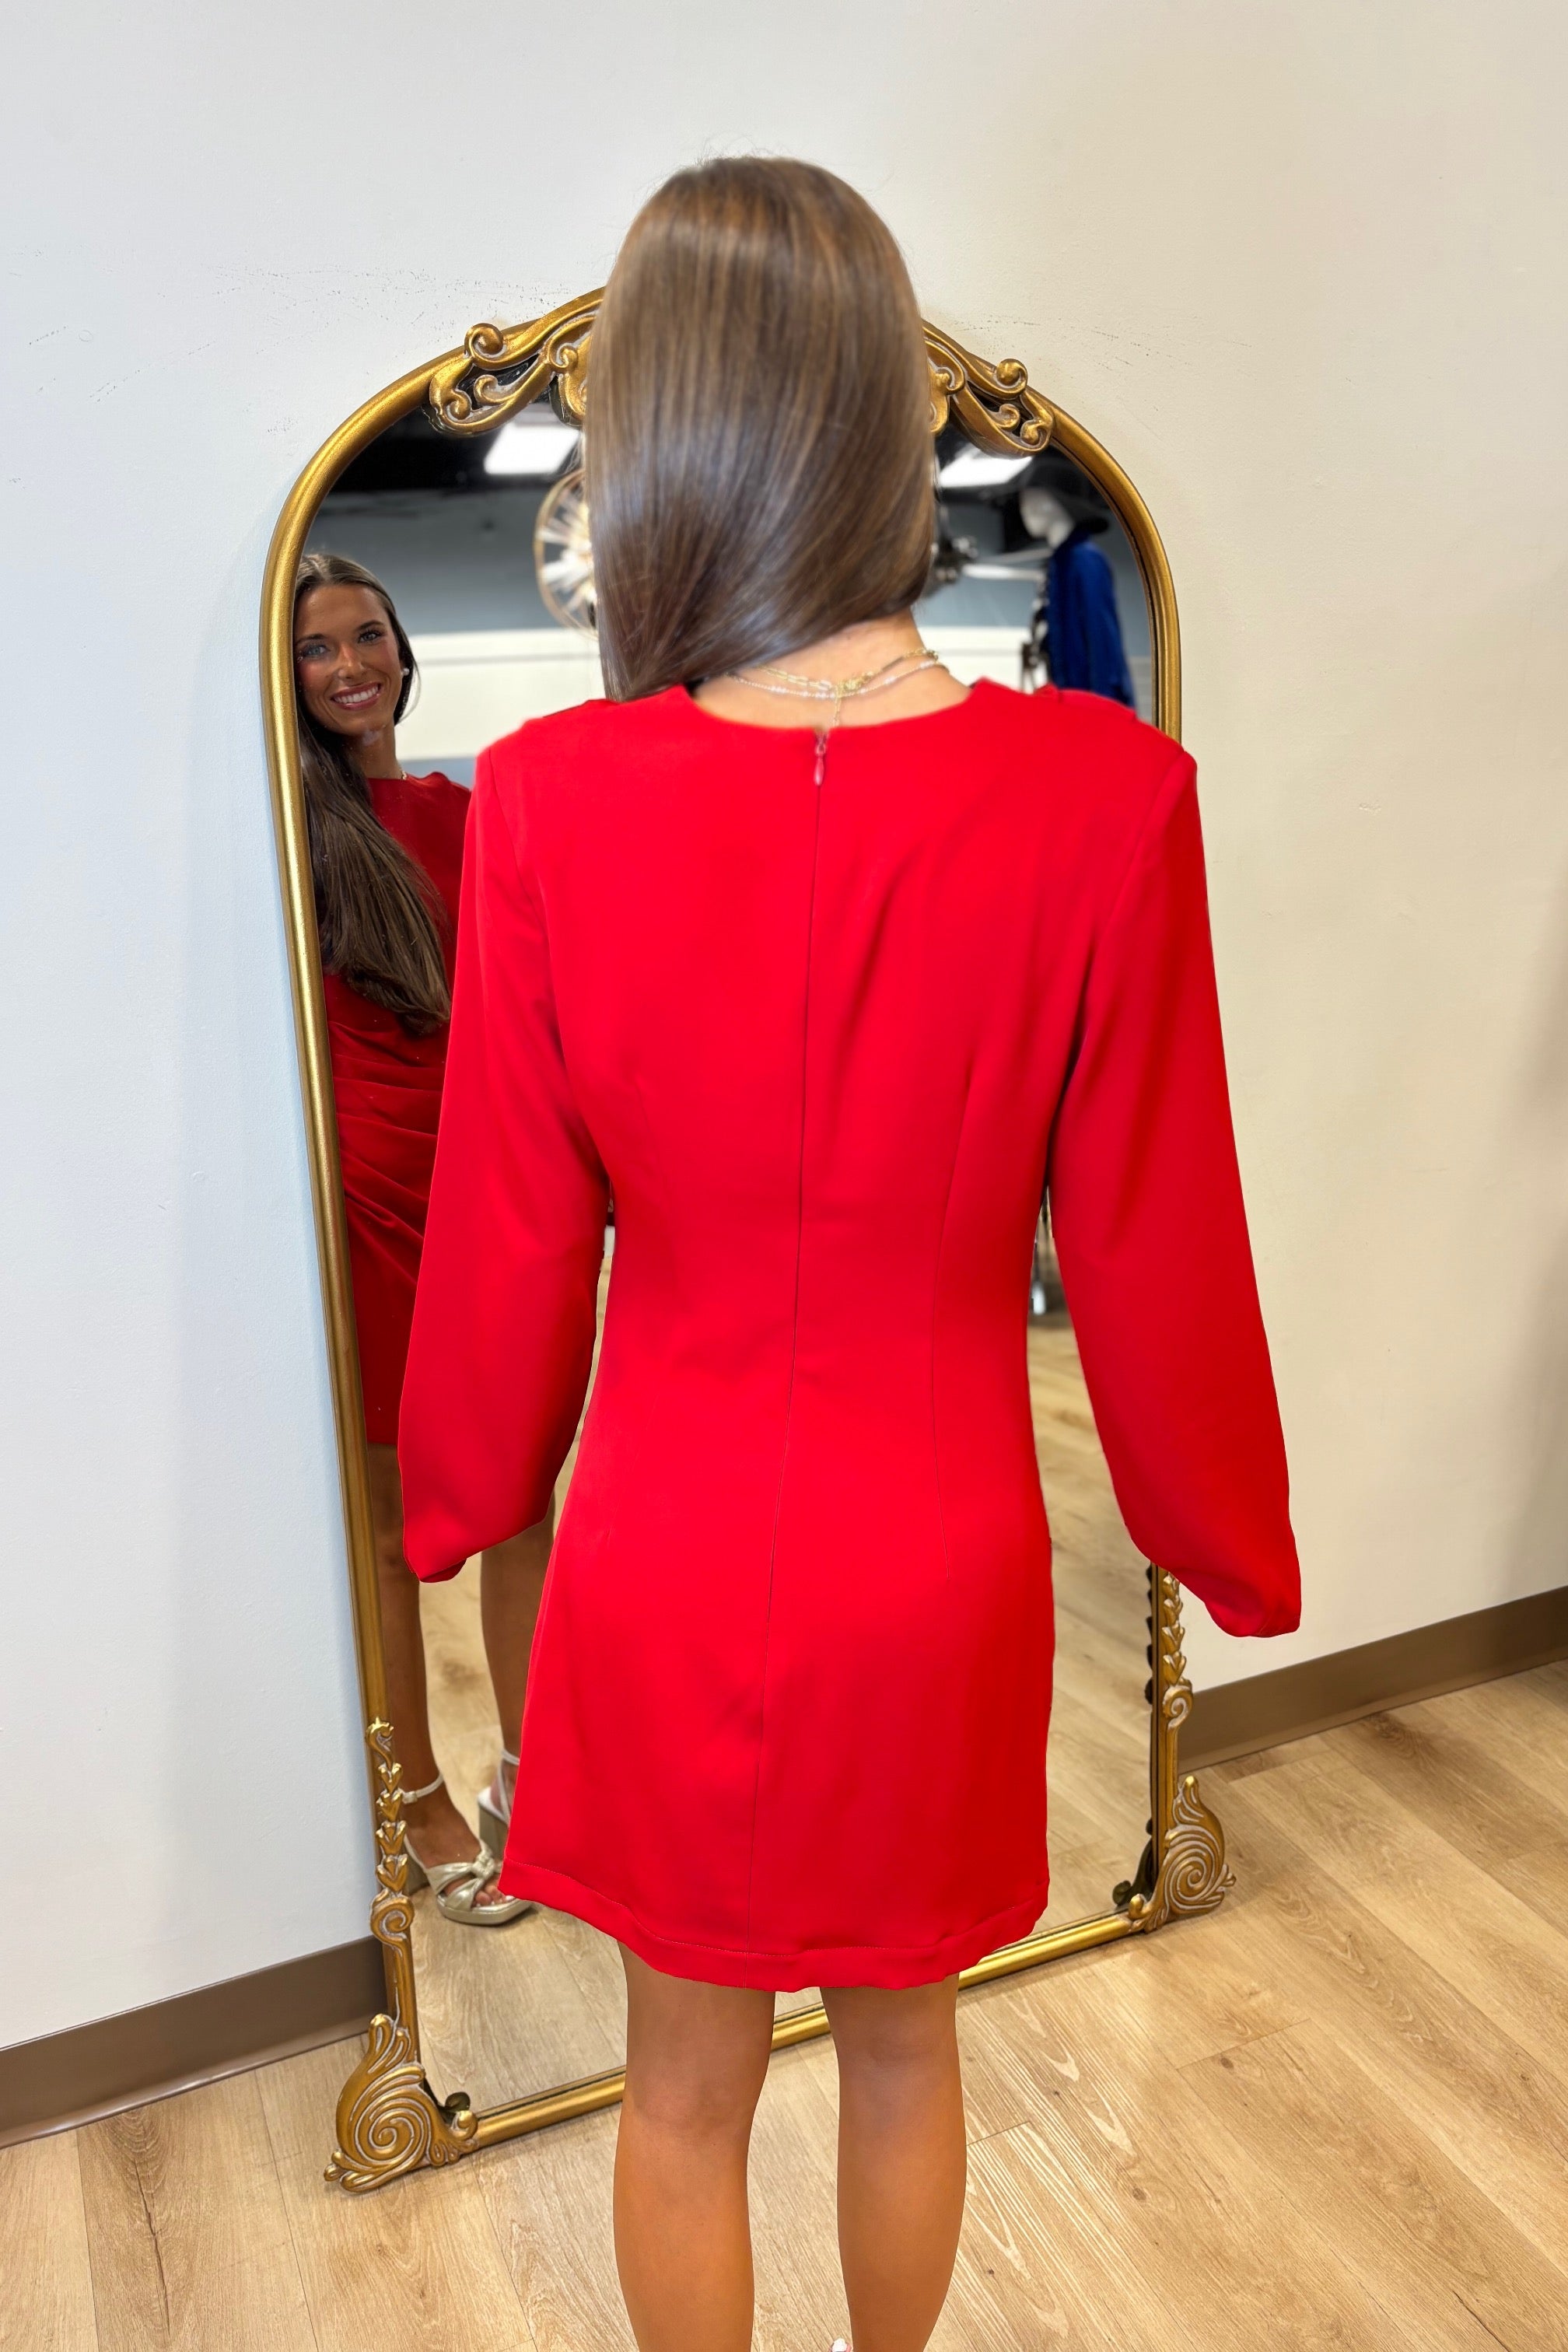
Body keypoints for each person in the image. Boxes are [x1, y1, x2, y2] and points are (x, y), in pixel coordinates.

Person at [398, 160, 1300, 2352]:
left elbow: (513, 1238)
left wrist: (457, 1491)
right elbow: (1159, 1239)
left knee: (681, 2092)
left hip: (667, 1540)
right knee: (908, 2052)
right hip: (942, 1540)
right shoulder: (1105, 800)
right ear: (889, 418)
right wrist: (1224, 1533)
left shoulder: (551, 803)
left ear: (660, 435)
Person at [293, 551, 551, 1924]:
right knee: (391, 1530)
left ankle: (536, 1783)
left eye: (368, 635)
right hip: (368, 1197)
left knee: (523, 1497)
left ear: (403, 648)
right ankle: (420, 1803)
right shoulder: (290, 825)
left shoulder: (470, 812)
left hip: (489, 1183)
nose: (350, 665)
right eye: (318, 648)